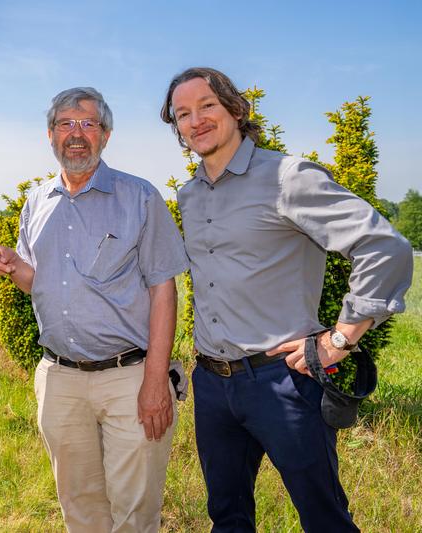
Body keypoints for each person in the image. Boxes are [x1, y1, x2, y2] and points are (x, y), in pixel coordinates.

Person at [160, 67, 413, 532]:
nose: (195, 120)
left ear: (236, 110)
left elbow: (386, 247)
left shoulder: (286, 177)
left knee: (325, 520)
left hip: (284, 381)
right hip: (212, 384)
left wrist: (340, 338)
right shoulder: (190, 196)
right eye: (182, 114)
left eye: (207, 106)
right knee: (227, 518)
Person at [0, 87, 188, 532]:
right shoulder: (36, 203)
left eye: (88, 123)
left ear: (105, 135)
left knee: (135, 512)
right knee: (79, 507)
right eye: (66, 124)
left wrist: (155, 379)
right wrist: (14, 268)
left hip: (130, 377)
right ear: (49, 136)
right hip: (60, 380)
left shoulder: (140, 198)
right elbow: (43, 283)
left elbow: (163, 291)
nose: (77, 133)